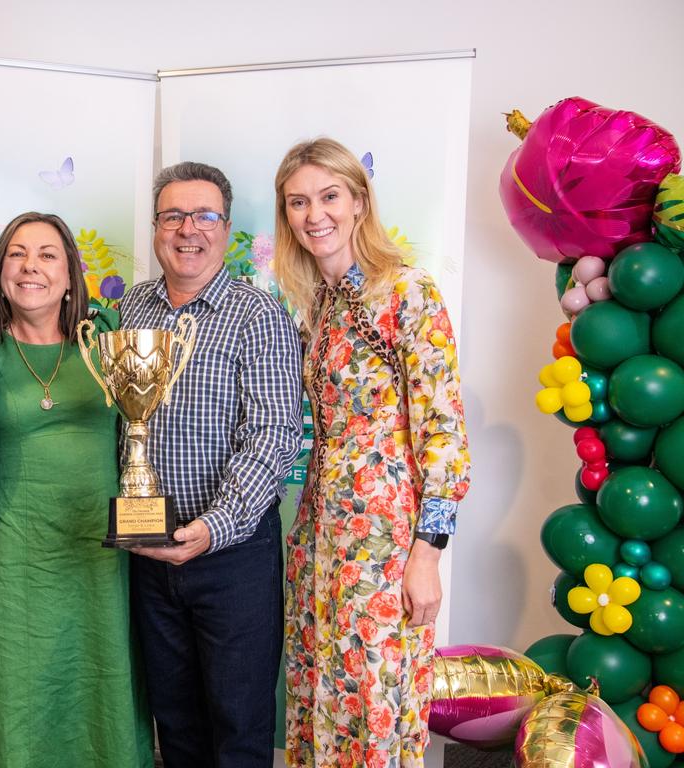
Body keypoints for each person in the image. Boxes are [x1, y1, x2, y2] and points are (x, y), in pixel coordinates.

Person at [273, 137, 471, 767]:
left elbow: (445, 433)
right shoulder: (320, 307)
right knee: (319, 692)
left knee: (376, 702)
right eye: (298, 202)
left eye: (329, 196)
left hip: (386, 536)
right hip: (318, 534)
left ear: (358, 202)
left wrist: (427, 556)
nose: (314, 215)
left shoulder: (408, 291)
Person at [0, 212, 153, 768]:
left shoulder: (107, 337)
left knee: (97, 672)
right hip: (13, 549)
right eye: (16, 254)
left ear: (70, 275)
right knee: (16, 681)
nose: (30, 266)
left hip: (98, 547)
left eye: (47, 255)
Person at [120, 161, 303, 768]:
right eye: (173, 215)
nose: (187, 230)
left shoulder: (259, 315)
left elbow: (274, 434)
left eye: (204, 216)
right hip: (148, 553)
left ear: (226, 229)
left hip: (232, 556)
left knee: (238, 728)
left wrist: (214, 526)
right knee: (173, 723)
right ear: (155, 228)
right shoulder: (132, 311)